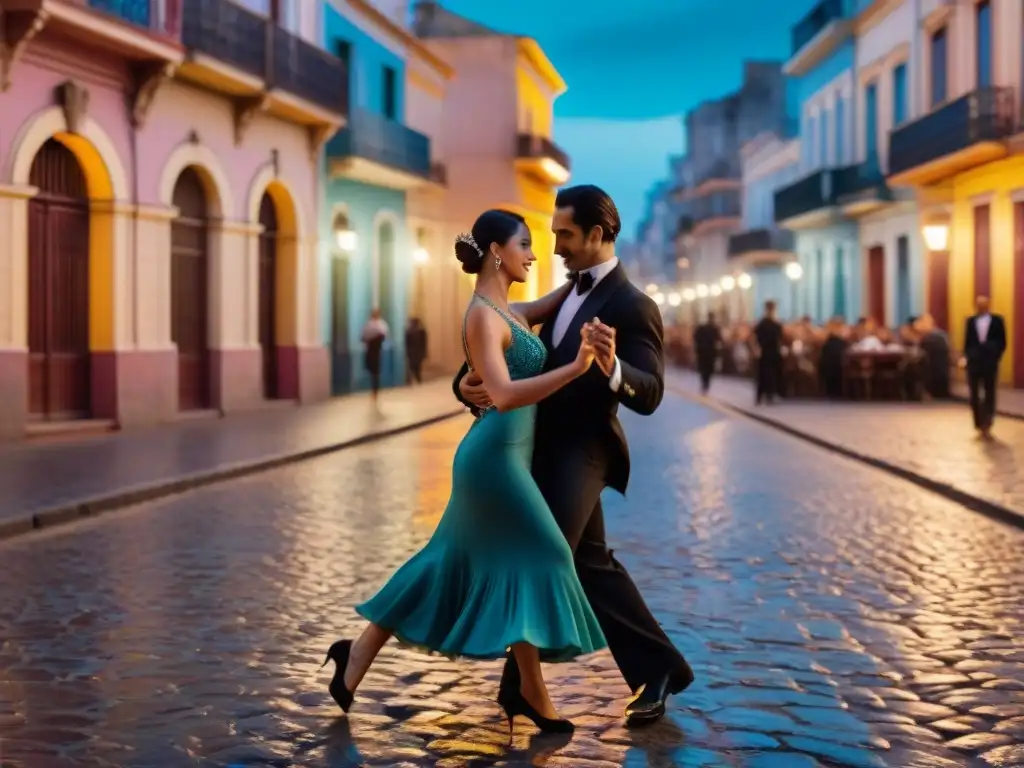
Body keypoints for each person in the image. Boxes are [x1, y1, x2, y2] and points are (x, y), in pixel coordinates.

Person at [321, 209, 606, 735]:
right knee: (546, 552)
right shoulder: (482, 315)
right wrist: (574, 368)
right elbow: (500, 394)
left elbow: (560, 298)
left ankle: (356, 656)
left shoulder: (510, 310)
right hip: (493, 462)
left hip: (506, 457)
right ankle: (532, 692)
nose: (534, 254)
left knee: (444, 562)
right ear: (497, 251)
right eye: (525, 244)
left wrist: (594, 258)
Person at [454, 185, 693, 727]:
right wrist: (463, 385)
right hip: (535, 447)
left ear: (598, 234)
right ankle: (654, 669)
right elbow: (507, 346)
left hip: (583, 452)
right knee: (590, 564)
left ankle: (522, 688)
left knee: (538, 557)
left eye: (564, 234)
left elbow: (650, 391)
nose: (555, 245)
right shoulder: (565, 294)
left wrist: (609, 367)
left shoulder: (635, 306)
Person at [962, 295, 1006, 436]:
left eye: (984, 304)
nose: (981, 307)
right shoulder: (970, 321)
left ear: (988, 305)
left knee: (990, 391)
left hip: (990, 361)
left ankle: (988, 420)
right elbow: (967, 341)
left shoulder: (998, 320)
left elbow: (1002, 341)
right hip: (974, 362)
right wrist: (968, 356)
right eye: (979, 304)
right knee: (973, 393)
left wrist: (995, 355)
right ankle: (978, 421)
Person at [753, 300, 784, 404]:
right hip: (768, 351)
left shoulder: (764, 323)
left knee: (767, 373)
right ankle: (766, 395)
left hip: (770, 351)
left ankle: (764, 395)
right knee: (767, 373)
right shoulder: (769, 323)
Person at [360, 309, 388, 402]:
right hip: (377, 351)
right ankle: (375, 390)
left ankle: (374, 390)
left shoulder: (368, 325)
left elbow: (363, 338)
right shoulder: (382, 325)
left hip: (371, 350)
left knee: (373, 371)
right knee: (375, 372)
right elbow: (384, 336)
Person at [693, 312, 722, 394]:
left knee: (704, 368)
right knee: (708, 368)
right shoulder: (715, 328)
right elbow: (719, 340)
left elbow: (695, 338)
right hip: (710, 352)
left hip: (702, 351)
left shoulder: (702, 328)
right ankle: (706, 383)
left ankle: (704, 382)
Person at [405, 317, 428, 384]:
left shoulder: (409, 331)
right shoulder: (422, 331)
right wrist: (425, 353)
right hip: (418, 352)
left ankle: (412, 380)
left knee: (413, 367)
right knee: (417, 367)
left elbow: (407, 343)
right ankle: (418, 379)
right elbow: (424, 343)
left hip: (412, 352)